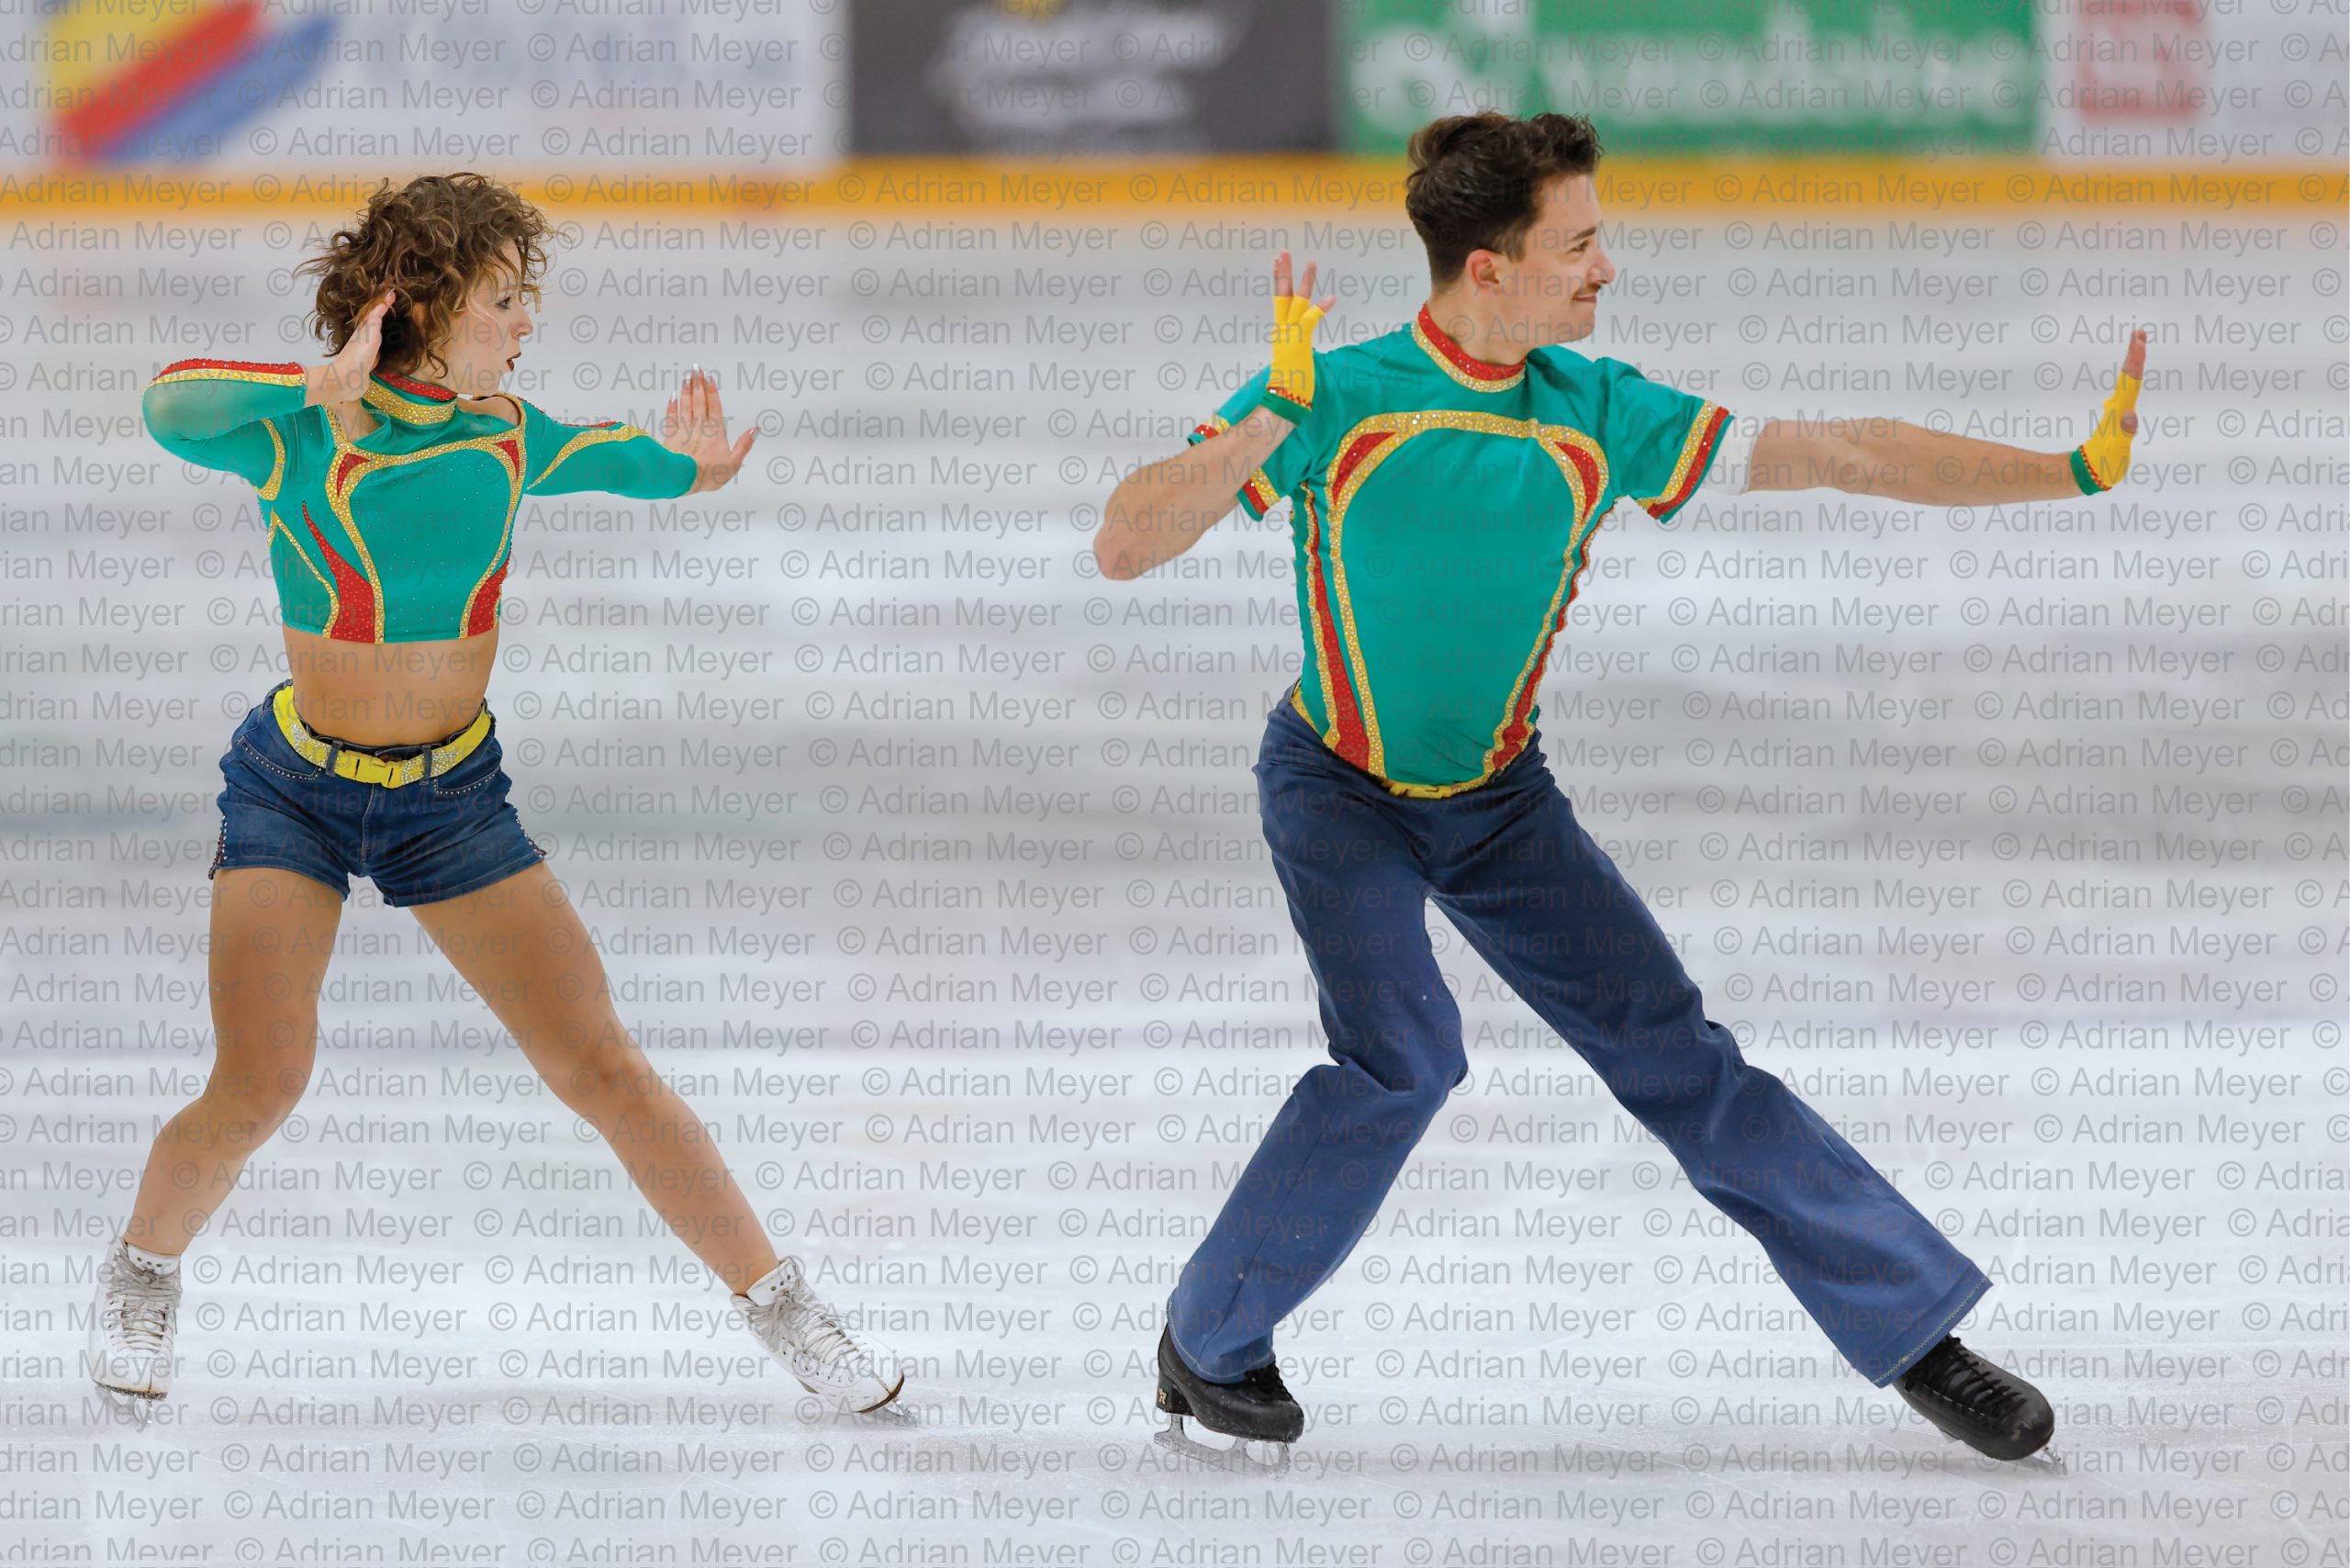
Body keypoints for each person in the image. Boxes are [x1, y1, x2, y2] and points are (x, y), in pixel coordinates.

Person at [1094, 111, 2146, 1468]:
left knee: (1682, 1060)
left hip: (1499, 806)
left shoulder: (1598, 413)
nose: (1607, 268)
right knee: (1403, 1057)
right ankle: (1210, 1341)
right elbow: (1128, 541)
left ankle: (1917, 1337)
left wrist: (2069, 471)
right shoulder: (1337, 397)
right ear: (1489, 269)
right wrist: (1268, 423)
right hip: (1337, 789)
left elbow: (1845, 453)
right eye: (1579, 245)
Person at [95, 172, 902, 1418]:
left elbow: (619, 458)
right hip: (294, 790)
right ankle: (144, 1273)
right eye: (504, 301)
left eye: (527, 301)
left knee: (602, 1069)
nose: (527, 324)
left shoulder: (508, 436)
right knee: (260, 1080)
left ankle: (786, 1307)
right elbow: (165, 403)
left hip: (449, 797)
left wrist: (690, 473)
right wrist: (318, 385)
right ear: (421, 304)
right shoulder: (296, 431)